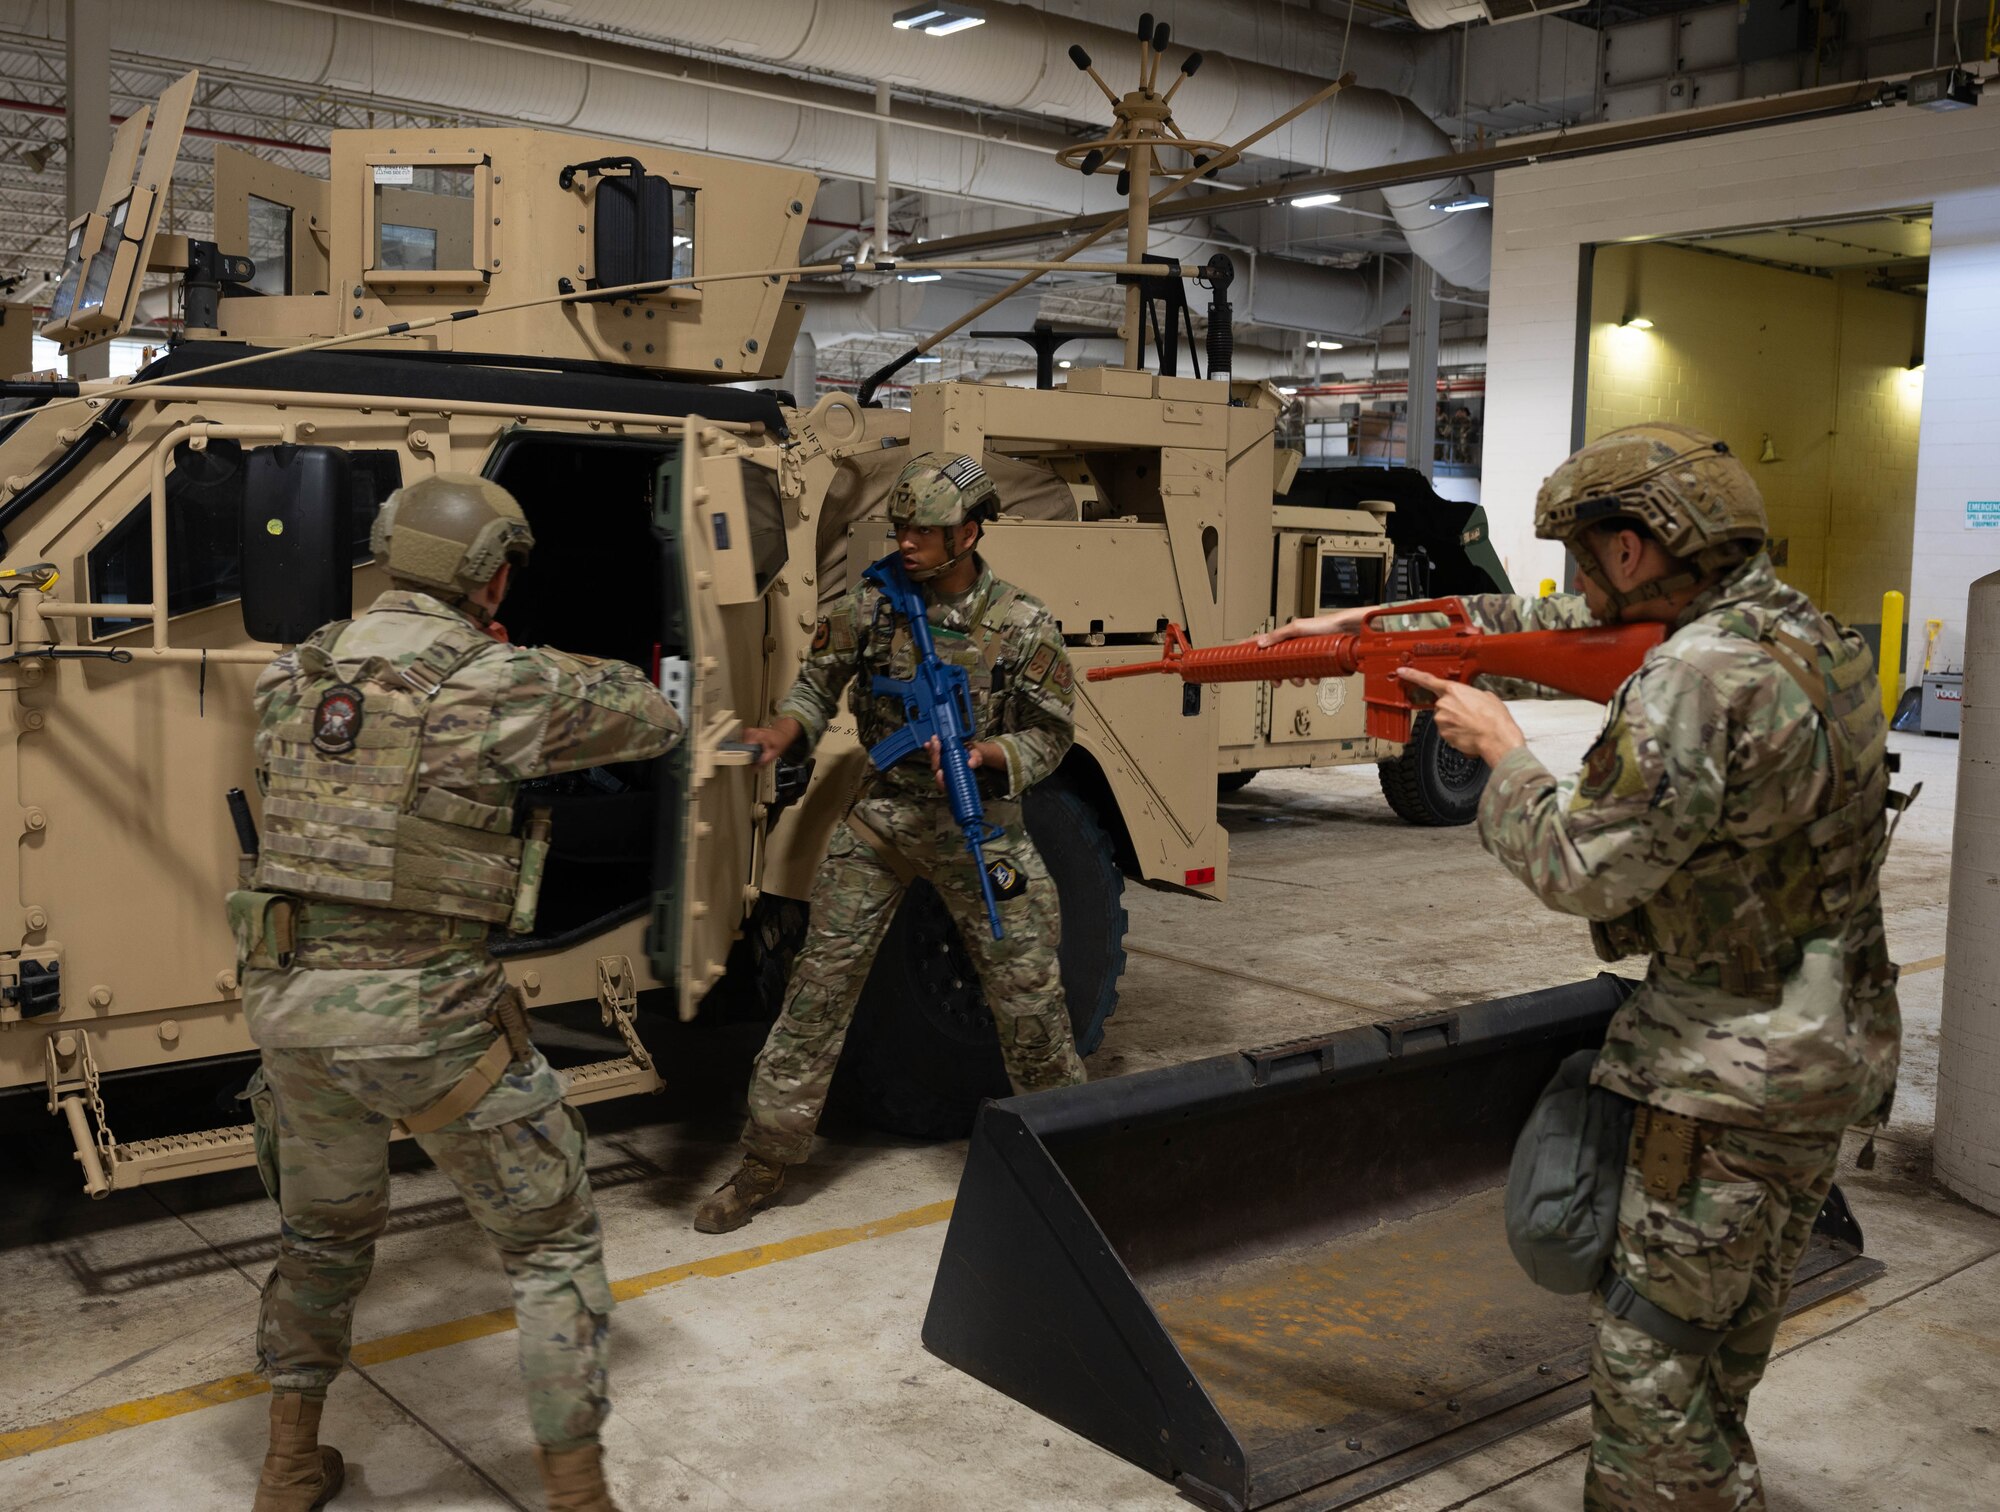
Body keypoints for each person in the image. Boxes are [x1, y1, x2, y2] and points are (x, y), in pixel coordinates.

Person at [1262, 423, 1900, 1510]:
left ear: (1634, 549)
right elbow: (1557, 622)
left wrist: (1500, 753)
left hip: (1718, 1083)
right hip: (1824, 1052)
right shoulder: (1805, 635)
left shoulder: (1689, 683)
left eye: (1585, 550)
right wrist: (1367, 625)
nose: (1574, 577)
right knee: (1717, 1359)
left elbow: (1578, 869)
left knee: (1650, 1381)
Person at [236, 473, 681, 1512]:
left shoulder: (291, 675)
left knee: (321, 1240)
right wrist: (530, 654)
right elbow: (650, 719)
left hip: (293, 1017)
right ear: (489, 574)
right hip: (429, 1024)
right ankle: (578, 1497)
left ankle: (290, 1469)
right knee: (550, 1241)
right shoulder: (500, 683)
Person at [695, 450, 1087, 1234]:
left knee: (1030, 996)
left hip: (979, 828)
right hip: (882, 822)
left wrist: (986, 757)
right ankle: (766, 1158)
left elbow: (1052, 734)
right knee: (817, 991)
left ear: (969, 534)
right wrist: (788, 729)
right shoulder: (869, 604)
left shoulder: (1022, 624)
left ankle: (1073, 1157)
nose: (907, 542)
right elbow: (818, 680)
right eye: (902, 527)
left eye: (926, 531)